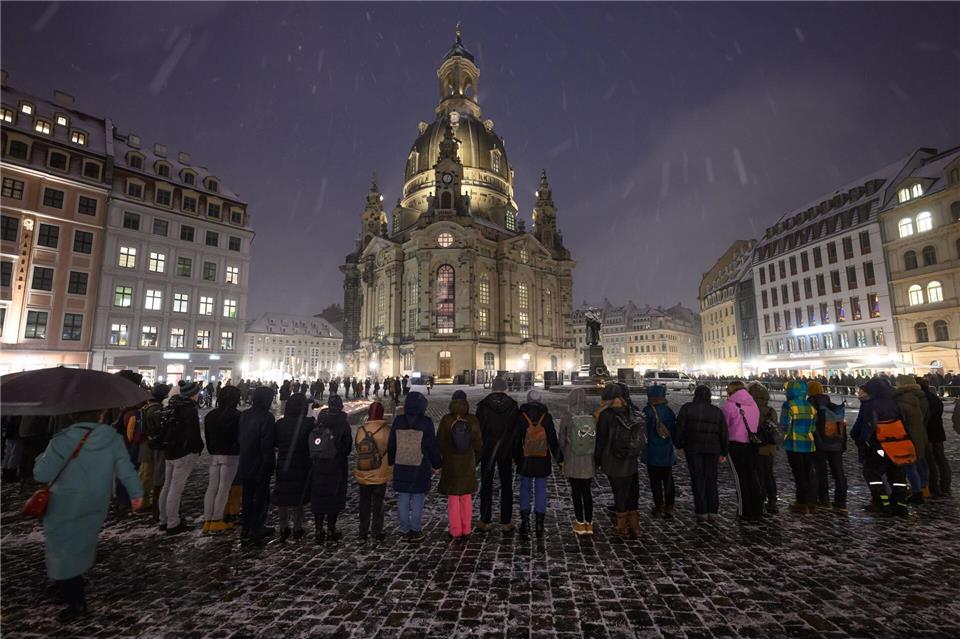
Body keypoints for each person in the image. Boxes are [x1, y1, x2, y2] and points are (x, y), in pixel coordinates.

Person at [34, 408, 143, 622]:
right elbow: (125, 469)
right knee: (81, 542)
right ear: (100, 416)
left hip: (65, 502)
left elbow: (41, 473)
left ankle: (75, 601)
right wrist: (136, 493)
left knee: (63, 547)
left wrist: (42, 457)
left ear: (72, 416)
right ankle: (66, 582)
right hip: (96, 501)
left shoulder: (61, 440)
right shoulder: (112, 438)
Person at [388, 391, 442, 543]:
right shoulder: (426, 422)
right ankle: (416, 530)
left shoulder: (398, 421)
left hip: (401, 463)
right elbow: (431, 446)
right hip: (420, 464)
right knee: (418, 498)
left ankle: (404, 529)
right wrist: (437, 464)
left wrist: (391, 461)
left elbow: (392, 443)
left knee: (403, 497)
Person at [850, 379, 909, 516]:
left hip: (878, 445)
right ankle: (900, 505)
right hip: (898, 443)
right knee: (897, 476)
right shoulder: (895, 402)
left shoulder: (870, 404)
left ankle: (883, 504)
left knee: (872, 474)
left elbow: (866, 426)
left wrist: (861, 440)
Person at [594, 383, 641, 537]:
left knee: (619, 492)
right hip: (631, 458)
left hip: (613, 459)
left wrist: (597, 460)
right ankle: (635, 526)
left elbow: (600, 440)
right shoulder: (632, 411)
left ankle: (621, 527)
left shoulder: (606, 415)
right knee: (632, 491)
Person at [675, 385, 728, 522]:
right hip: (713, 448)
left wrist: (679, 444)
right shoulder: (716, 411)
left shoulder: (687, 408)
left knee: (697, 478)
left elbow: (680, 428)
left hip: (694, 448)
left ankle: (702, 510)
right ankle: (713, 510)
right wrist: (724, 451)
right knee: (711, 479)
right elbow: (723, 433)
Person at [513, 389, 561, 538]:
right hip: (542, 459)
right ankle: (539, 524)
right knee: (541, 489)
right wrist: (560, 460)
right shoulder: (546, 417)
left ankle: (525, 522)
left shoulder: (521, 417)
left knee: (525, 488)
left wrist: (516, 458)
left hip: (525, 459)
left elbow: (515, 441)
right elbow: (553, 441)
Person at [158, 381, 203, 535]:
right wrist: (197, 449)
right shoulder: (188, 408)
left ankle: (163, 519)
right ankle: (173, 523)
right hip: (183, 453)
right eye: (197, 392)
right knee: (176, 489)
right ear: (192, 394)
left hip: (170, 450)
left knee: (167, 485)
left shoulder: (172, 405)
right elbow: (193, 433)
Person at [475, 377, 519, 533]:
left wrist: (478, 451)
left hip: (488, 450)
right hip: (506, 450)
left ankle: (485, 519)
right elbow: (516, 432)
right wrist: (516, 452)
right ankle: (506, 521)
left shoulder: (483, 406)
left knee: (486, 484)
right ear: (505, 388)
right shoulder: (513, 406)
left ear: (492, 388)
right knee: (506, 485)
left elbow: (478, 431)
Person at [437, 390, 482, 539]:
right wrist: (474, 457)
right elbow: (478, 444)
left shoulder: (446, 420)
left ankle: (455, 530)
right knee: (466, 497)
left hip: (451, 464)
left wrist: (445, 455)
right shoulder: (473, 420)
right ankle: (467, 528)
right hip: (467, 463)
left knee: (453, 498)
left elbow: (440, 443)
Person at [309, 395, 353, 542]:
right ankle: (331, 529)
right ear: (340, 406)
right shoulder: (343, 423)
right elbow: (347, 447)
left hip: (318, 464)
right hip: (336, 465)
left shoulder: (320, 421)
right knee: (334, 497)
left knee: (319, 496)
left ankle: (318, 529)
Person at [238, 386, 276, 541]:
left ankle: (246, 526)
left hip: (245, 460)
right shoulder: (267, 417)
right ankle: (257, 526)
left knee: (247, 495)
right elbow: (267, 444)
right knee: (261, 496)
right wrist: (268, 463)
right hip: (260, 461)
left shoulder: (245, 415)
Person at [721, 381, 764, 521]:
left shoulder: (729, 406)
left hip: (735, 445)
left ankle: (744, 510)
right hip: (752, 444)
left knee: (740, 479)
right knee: (753, 475)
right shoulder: (753, 403)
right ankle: (757, 508)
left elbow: (724, 426)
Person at [202, 385, 241, 534]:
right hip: (230, 455)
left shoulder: (211, 415)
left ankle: (208, 520)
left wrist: (212, 450)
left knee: (212, 487)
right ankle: (217, 520)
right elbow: (239, 436)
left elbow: (208, 436)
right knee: (224, 488)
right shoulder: (237, 415)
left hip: (215, 454)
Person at [274, 393, 313, 541]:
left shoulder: (280, 424)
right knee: (299, 495)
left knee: (282, 495)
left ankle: (283, 526)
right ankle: (297, 526)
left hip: (284, 463)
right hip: (301, 463)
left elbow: (276, 443)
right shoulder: (308, 424)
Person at [557, 388, 596, 535]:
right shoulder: (591, 415)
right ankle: (589, 524)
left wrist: (565, 453)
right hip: (588, 460)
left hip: (573, 459)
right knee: (587, 492)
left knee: (576, 492)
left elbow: (561, 440)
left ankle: (579, 524)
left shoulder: (567, 416)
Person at [807, 381, 847, 513]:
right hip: (836, 443)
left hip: (820, 443)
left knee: (821, 471)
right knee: (838, 472)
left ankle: (824, 500)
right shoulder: (831, 404)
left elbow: (811, 425)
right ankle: (841, 502)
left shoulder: (811, 403)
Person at [354, 401, 392, 540]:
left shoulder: (360, 430)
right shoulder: (385, 430)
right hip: (379, 472)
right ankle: (376, 531)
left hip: (363, 472)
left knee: (364, 502)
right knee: (378, 503)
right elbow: (391, 449)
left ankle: (362, 530)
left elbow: (357, 447)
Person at [781, 380, 818, 514]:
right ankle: (811, 501)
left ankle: (801, 502)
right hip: (809, 444)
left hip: (793, 444)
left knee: (799, 474)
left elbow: (785, 426)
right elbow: (813, 426)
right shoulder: (810, 406)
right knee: (809, 473)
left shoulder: (788, 405)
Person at [642, 385, 678, 518]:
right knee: (668, 480)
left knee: (655, 481)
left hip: (652, 451)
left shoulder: (646, 411)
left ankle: (659, 505)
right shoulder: (668, 411)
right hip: (666, 450)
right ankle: (669, 506)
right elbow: (674, 431)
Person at [893, 374, 929, 503]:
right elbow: (925, 417)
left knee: (910, 466)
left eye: (897, 383)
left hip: (908, 437)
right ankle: (922, 488)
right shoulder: (919, 398)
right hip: (919, 435)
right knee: (919, 463)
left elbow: (901, 422)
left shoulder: (902, 402)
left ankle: (917, 491)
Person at [747, 382, 779, 514]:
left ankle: (759, 500)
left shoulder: (751, 410)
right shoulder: (771, 411)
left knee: (757, 474)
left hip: (757, 447)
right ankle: (772, 501)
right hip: (770, 448)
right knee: (769, 474)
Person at [139, 383, 169, 520]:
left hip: (147, 444)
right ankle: (142, 503)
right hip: (151, 445)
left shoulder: (147, 406)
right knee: (148, 474)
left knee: (146, 473)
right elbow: (158, 429)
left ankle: (144, 501)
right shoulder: (155, 409)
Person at [918, 378, 950, 497]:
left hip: (929, 433)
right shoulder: (935, 398)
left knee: (930, 460)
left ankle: (934, 486)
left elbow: (924, 418)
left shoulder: (922, 400)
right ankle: (945, 484)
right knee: (941, 459)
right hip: (938, 432)